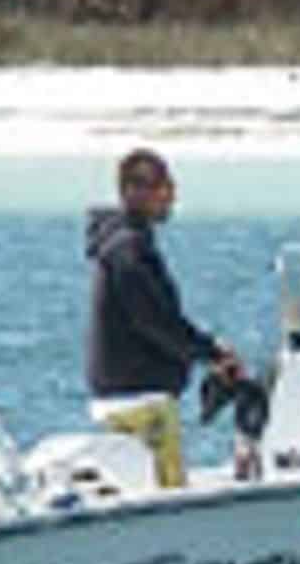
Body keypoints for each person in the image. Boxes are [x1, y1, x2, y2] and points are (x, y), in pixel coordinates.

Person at [84, 148, 242, 488]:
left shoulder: (122, 245)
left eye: (168, 185)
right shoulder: (128, 251)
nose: (169, 195)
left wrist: (206, 352)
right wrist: (212, 353)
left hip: (124, 394)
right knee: (166, 492)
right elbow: (156, 321)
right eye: (157, 187)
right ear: (130, 192)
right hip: (141, 399)